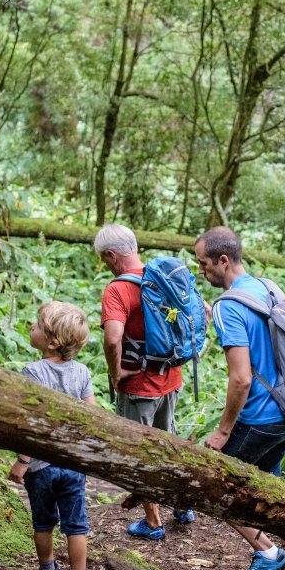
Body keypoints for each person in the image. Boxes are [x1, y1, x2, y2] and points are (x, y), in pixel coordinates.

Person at [194, 226, 285, 570]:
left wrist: (224, 431)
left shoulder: (230, 307)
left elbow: (241, 378)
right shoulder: (264, 287)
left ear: (222, 261)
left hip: (261, 420)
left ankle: (267, 555)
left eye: (203, 263)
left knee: (215, 490)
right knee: (270, 489)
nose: (201, 271)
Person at [95, 223, 195, 540]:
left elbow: (113, 341)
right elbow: (201, 310)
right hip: (171, 376)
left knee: (138, 451)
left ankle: (153, 522)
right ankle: (183, 505)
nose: (105, 264)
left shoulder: (117, 289)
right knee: (170, 443)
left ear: (111, 255)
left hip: (138, 384)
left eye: (103, 258)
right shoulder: (164, 277)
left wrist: (115, 373)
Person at [9, 301, 100, 570]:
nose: (31, 328)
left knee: (43, 523)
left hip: (40, 467)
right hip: (71, 464)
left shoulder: (32, 372)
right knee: (76, 525)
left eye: (36, 325)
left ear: (51, 341)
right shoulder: (83, 372)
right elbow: (92, 414)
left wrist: (23, 461)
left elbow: (30, 423)